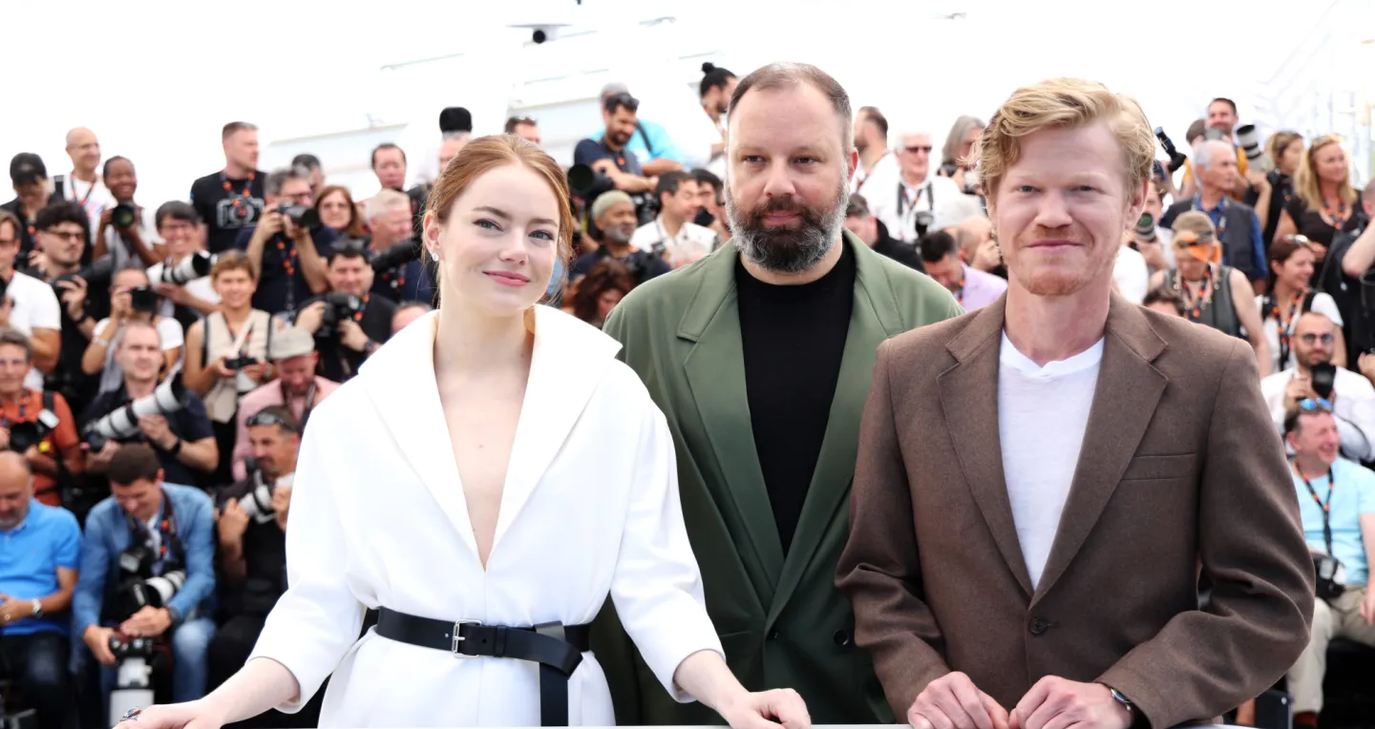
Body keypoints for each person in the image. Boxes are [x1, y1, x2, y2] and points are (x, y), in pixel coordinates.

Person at [113, 135, 809, 729]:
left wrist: (731, 697)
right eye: (490, 223)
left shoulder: (611, 397)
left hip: (555, 706)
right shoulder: (353, 413)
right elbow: (318, 608)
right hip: (390, 707)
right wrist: (215, 707)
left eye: (540, 233)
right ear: (434, 231)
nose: (516, 250)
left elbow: (657, 590)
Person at [836, 77, 1315, 729]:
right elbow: (874, 573)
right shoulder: (908, 371)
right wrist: (920, 677)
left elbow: (1271, 600)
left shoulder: (1210, 373)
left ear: (1135, 200)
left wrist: (1128, 695)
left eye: (1083, 189)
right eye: (1027, 189)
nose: (1052, 214)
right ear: (991, 199)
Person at [592, 62, 960, 725]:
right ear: (726, 167)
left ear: (850, 166)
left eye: (805, 159)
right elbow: (606, 544)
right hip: (697, 702)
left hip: (868, 700)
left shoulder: (929, 318)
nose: (777, 184)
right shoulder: (643, 325)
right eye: (753, 159)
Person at [73, 443, 217, 707]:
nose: (131, 505)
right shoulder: (101, 517)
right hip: (126, 614)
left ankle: (189, 720)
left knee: (190, 643)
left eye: (139, 495)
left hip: (187, 612)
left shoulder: (195, 504)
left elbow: (202, 576)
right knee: (106, 648)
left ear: (159, 478)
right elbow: (88, 588)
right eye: (120, 497)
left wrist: (167, 615)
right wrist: (90, 629)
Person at [1279, 400, 1375, 729]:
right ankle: (1305, 720)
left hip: (1358, 592)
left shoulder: (1361, 477)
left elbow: (1373, 536)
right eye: (1321, 432)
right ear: (1294, 441)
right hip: (1308, 591)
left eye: (1334, 429)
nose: (1333, 439)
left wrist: (1374, 589)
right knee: (1312, 617)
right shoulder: (1278, 482)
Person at [0, 451, 81, 729]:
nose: (3, 506)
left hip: (41, 628)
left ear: (32, 487)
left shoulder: (60, 523)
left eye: (12, 496)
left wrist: (28, 608)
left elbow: (71, 592)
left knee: (46, 679)